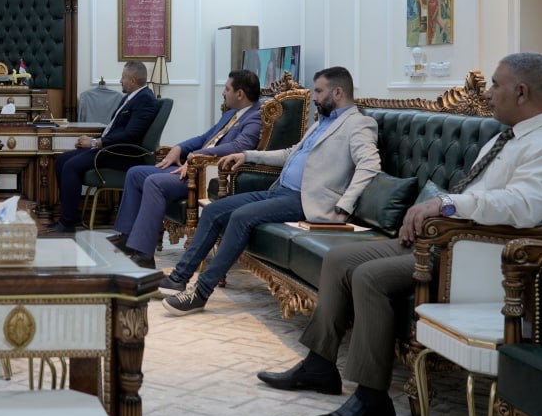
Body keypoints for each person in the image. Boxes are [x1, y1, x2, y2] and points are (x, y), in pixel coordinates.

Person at [256, 53, 542, 416]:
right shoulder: (504, 137)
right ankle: (319, 366)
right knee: (339, 260)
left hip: (478, 256)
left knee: (368, 276)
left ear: (521, 92)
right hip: (445, 239)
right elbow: (476, 196)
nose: (488, 94)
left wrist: (444, 205)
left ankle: (372, 399)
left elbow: (522, 207)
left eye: (496, 84)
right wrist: (435, 216)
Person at [162, 66, 380, 315]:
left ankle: (200, 293)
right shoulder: (323, 122)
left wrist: (343, 206)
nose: (315, 97)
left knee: (240, 217)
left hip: (305, 200)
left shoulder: (358, 124)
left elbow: (370, 165)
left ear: (338, 92)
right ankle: (178, 278)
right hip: (280, 191)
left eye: (319, 91)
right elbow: (290, 153)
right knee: (215, 210)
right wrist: (247, 155)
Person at [109, 69, 263, 268]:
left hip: (209, 175)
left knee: (154, 182)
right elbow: (204, 137)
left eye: (227, 89)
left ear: (240, 94)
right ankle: (127, 237)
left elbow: (239, 146)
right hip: (193, 166)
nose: (223, 93)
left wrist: (196, 156)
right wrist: (179, 148)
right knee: (135, 173)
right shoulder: (231, 114)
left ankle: (144, 255)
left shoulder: (256, 117)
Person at [52, 60, 159, 233]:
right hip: (110, 148)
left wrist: (96, 143)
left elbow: (131, 134)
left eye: (123, 77)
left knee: (71, 166)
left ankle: (68, 223)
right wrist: (93, 140)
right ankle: (71, 215)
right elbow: (116, 129)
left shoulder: (145, 99)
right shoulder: (131, 97)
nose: (120, 81)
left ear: (133, 80)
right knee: (62, 160)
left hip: (122, 154)